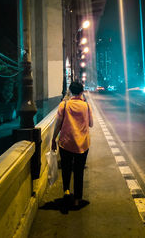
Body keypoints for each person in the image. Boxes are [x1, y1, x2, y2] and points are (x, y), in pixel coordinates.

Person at [51, 80, 93, 208]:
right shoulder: (86, 106)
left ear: (70, 91)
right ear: (81, 92)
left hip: (66, 143)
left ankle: (67, 191)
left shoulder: (63, 105)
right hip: (82, 144)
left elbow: (58, 124)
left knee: (66, 168)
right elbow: (91, 124)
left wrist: (53, 139)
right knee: (79, 171)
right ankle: (77, 199)